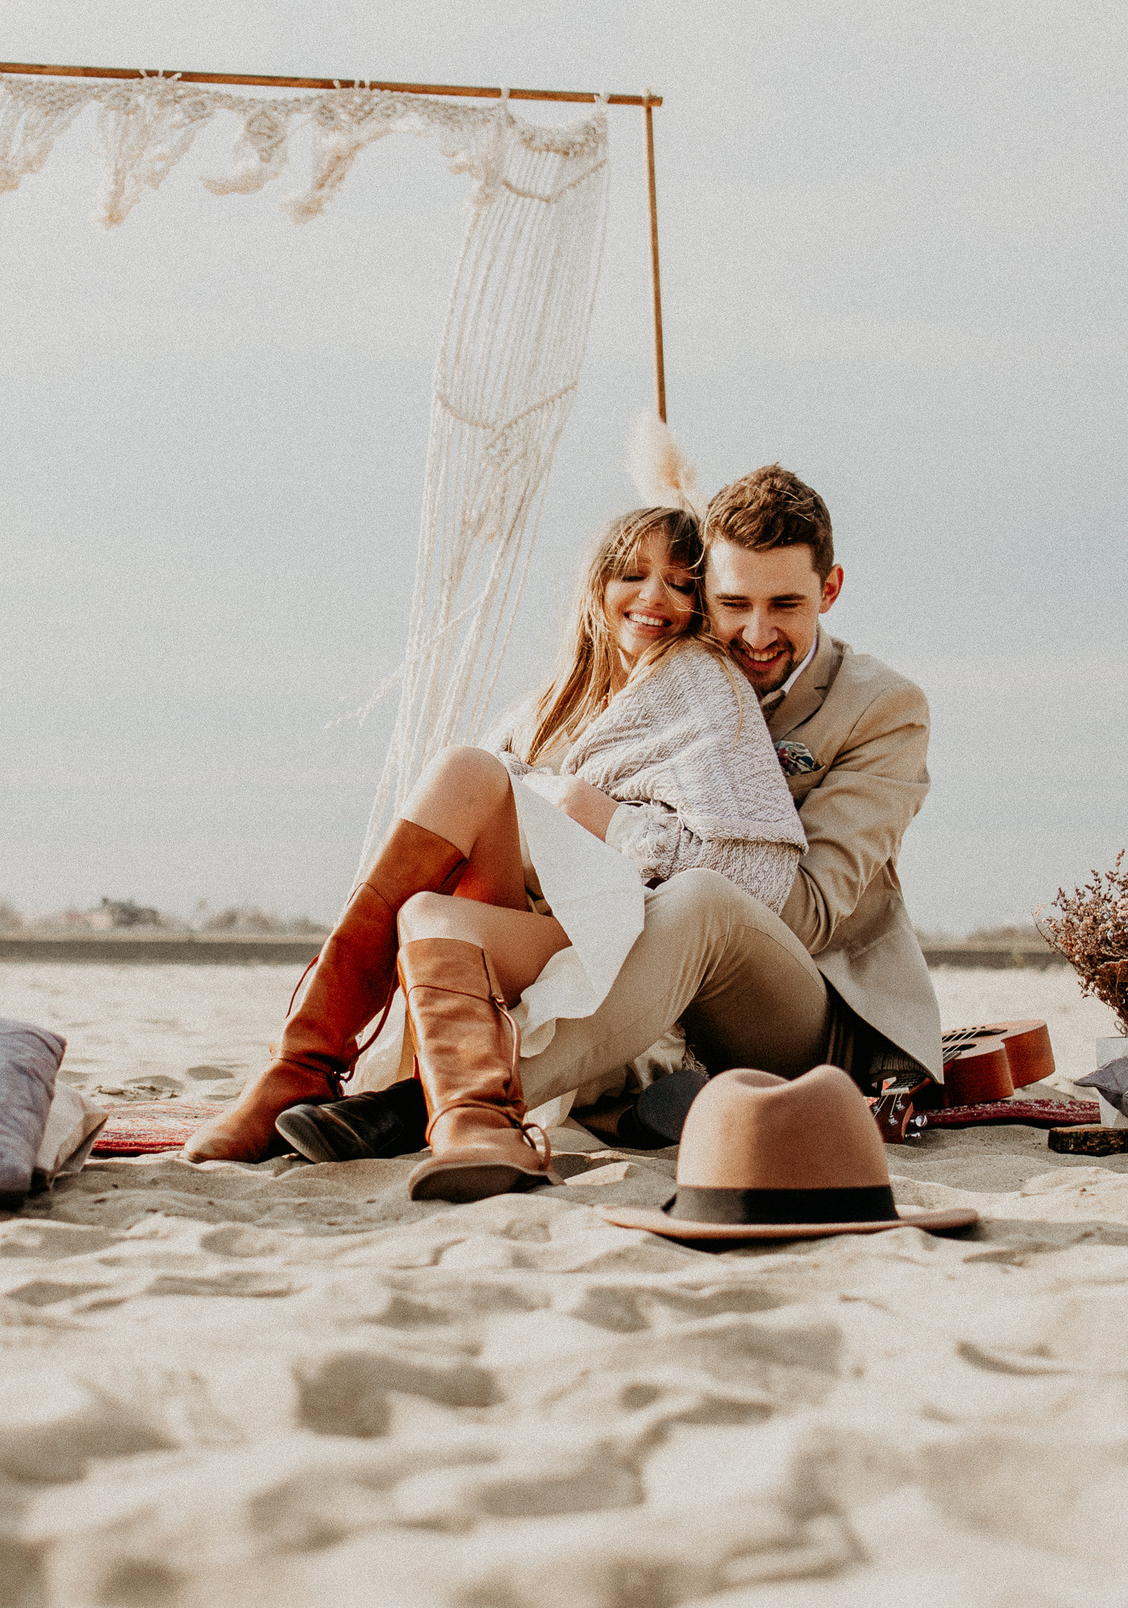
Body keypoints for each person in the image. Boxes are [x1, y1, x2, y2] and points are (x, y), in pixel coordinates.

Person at [287, 462, 941, 1162]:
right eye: (733, 603)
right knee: (462, 803)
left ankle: (423, 1106)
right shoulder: (645, 689)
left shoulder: (880, 708)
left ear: (829, 590)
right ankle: (298, 1063)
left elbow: (808, 913)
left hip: (798, 1007)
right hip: (635, 972)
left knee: (702, 898)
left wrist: (614, 824)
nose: (756, 633)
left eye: (785, 604)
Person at [180, 502, 805, 1200]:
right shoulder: (549, 705)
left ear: (698, 603)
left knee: (473, 777)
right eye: (632, 574)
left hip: (623, 935)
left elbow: (748, 871)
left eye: (681, 583)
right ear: (597, 584)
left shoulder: (702, 682)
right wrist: (542, 800)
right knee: (433, 886)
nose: (654, 596)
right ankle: (346, 1081)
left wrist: (604, 820)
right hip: (535, 928)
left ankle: (320, 1076)